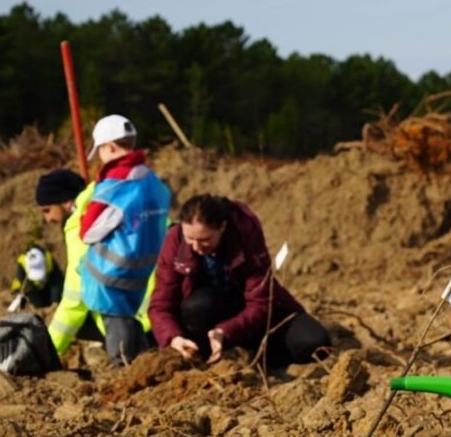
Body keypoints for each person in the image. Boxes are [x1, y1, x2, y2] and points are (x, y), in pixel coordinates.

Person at [149, 194, 331, 367]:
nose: (196, 247)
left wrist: (226, 332)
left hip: (247, 312)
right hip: (204, 316)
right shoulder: (174, 239)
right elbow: (161, 304)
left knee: (316, 344)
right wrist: (173, 337)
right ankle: (207, 355)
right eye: (190, 239)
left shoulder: (246, 234)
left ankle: (252, 354)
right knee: (198, 306)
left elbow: (261, 302)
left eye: (205, 240)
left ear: (222, 227)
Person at [35, 168, 157, 360]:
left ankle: (124, 356)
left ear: (67, 202)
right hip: (160, 310)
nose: (47, 219)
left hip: (138, 322)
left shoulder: (84, 225)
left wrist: (45, 353)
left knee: (80, 315)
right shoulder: (117, 202)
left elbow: (75, 299)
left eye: (47, 210)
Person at [78, 115, 170, 364]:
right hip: (142, 272)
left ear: (109, 147)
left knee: (116, 321)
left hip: (110, 273)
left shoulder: (114, 185)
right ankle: (143, 363)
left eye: (101, 151)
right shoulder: (152, 182)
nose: (100, 157)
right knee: (129, 320)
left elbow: (88, 232)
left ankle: (124, 368)